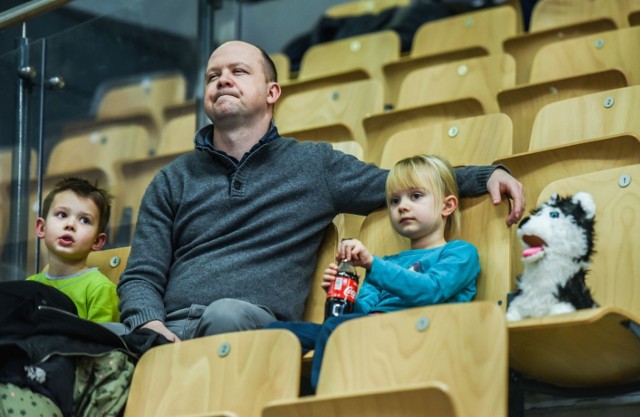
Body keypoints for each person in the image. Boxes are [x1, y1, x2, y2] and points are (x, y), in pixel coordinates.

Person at [116, 40, 524, 344]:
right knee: (71, 334)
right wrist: (149, 326)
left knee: (225, 316)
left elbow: (403, 185)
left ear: (272, 93)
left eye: (239, 72)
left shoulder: (314, 166)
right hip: (165, 327)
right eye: (212, 75)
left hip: (246, 323)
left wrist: (486, 175)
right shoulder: (172, 179)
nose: (222, 79)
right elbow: (141, 275)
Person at [267, 154, 480, 392]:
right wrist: (341, 295)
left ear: (447, 206)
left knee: (335, 331)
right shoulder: (386, 263)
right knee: (275, 334)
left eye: (416, 196)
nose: (403, 207)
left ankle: (324, 405)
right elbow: (361, 313)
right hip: (370, 332)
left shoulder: (460, 252)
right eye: (394, 201)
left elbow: (431, 291)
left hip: (421, 336)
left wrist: (372, 265)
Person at [26, 177, 119, 323]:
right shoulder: (29, 285)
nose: (70, 225)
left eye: (84, 220)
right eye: (62, 215)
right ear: (41, 228)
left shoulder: (100, 289)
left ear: (97, 241)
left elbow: (101, 343)